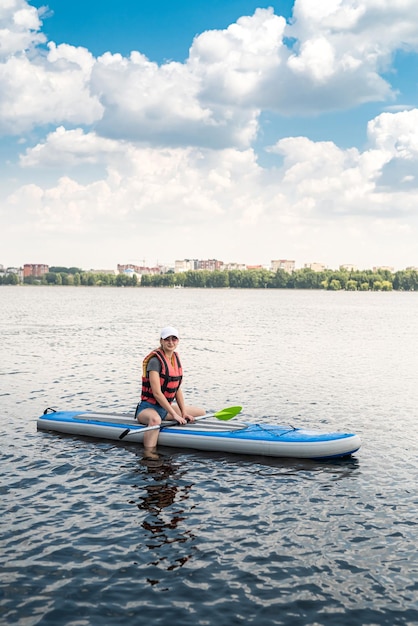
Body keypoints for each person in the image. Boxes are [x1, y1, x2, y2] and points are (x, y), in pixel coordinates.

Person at [135, 326, 205, 454]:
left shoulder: (174, 359)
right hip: (148, 408)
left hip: (164, 409)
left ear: (178, 341)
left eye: (174, 339)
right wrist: (174, 415)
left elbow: (176, 389)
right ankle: (149, 455)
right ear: (161, 341)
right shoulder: (155, 361)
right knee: (155, 420)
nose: (171, 342)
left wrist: (183, 413)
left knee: (201, 412)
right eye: (167, 339)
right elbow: (156, 393)